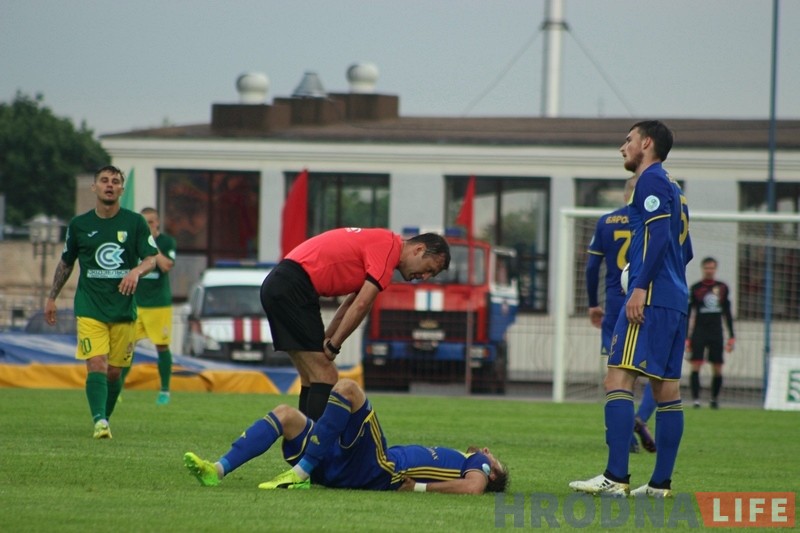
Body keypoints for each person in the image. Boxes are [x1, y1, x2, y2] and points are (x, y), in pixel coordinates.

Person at [570, 120, 693, 498]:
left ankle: (615, 477)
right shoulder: (674, 188)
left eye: (628, 140)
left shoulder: (650, 180)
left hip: (649, 297)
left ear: (647, 143)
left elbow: (659, 237)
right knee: (666, 390)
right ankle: (659, 484)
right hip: (675, 298)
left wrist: (640, 286)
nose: (622, 147)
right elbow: (685, 251)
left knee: (618, 380)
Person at [183, 378, 508, 494]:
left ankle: (301, 472)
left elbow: (473, 488)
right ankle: (217, 470)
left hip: (380, 468)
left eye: (494, 459)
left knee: (349, 389)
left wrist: (419, 488)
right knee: (285, 414)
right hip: (346, 467)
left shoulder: (476, 464)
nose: (488, 451)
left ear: (493, 472)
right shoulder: (466, 459)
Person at [260, 228, 451, 421]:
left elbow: (349, 305)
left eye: (431, 275)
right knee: (325, 374)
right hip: (293, 286)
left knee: (312, 376)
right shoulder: (389, 251)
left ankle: (303, 437)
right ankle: (316, 439)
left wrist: (328, 339)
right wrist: (333, 345)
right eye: (429, 269)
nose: (425, 277)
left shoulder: (383, 245)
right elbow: (362, 305)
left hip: (282, 283)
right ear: (418, 249)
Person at [45, 165, 159, 439]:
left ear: (121, 189)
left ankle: (104, 416)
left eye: (115, 181)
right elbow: (66, 263)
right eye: (104, 180)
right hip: (90, 307)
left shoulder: (134, 222)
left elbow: (151, 259)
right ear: (94, 187)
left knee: (114, 373)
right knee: (96, 363)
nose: (110, 185)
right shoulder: (79, 225)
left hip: (123, 308)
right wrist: (52, 297)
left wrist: (136, 271)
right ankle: (99, 421)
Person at [586, 177, 657, 454]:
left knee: (617, 375)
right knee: (657, 370)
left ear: (626, 194)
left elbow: (592, 267)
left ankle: (624, 438)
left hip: (616, 305)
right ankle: (641, 417)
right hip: (648, 301)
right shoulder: (655, 221)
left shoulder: (607, 221)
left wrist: (593, 304)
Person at [121, 207, 177, 405]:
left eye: (151, 222)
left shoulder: (167, 242)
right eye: (145, 223)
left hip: (159, 304)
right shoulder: (133, 241)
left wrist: (151, 242)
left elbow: (166, 265)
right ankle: (117, 389)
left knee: (162, 346)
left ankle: (164, 391)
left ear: (158, 222)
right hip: (136, 303)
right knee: (126, 347)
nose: (148, 226)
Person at [687, 257, 735, 409]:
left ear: (715, 269)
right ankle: (696, 400)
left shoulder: (722, 288)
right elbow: (689, 314)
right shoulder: (695, 288)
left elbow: (727, 313)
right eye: (707, 268)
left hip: (716, 332)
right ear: (703, 269)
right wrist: (687, 337)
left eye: (712, 268)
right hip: (699, 332)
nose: (709, 270)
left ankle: (714, 399)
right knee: (696, 365)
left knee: (717, 366)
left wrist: (732, 336)